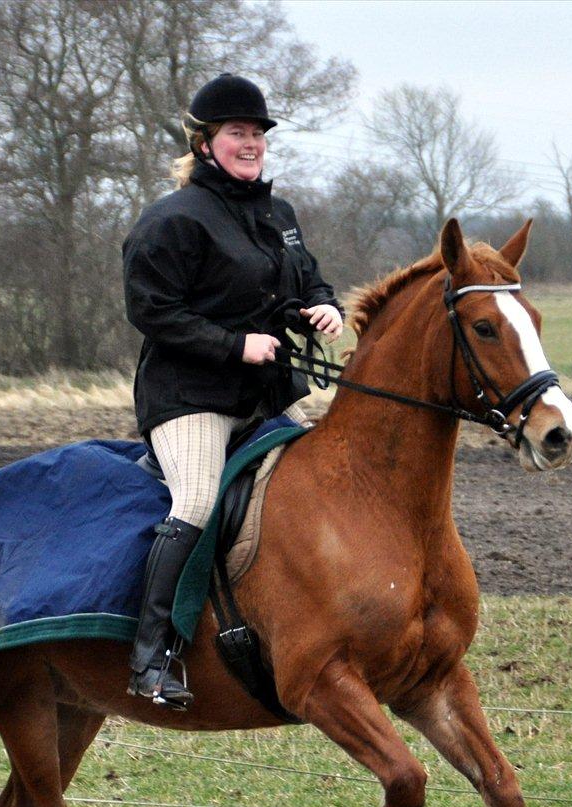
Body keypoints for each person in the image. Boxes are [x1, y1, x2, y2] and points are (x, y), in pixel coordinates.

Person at [121, 73, 344, 709]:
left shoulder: (279, 213)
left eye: (257, 134)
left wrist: (320, 308)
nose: (251, 144)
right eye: (236, 134)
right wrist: (233, 344)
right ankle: (151, 656)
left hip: (267, 394)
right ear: (204, 143)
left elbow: (306, 281)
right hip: (190, 397)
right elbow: (150, 309)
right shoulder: (172, 219)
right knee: (194, 500)